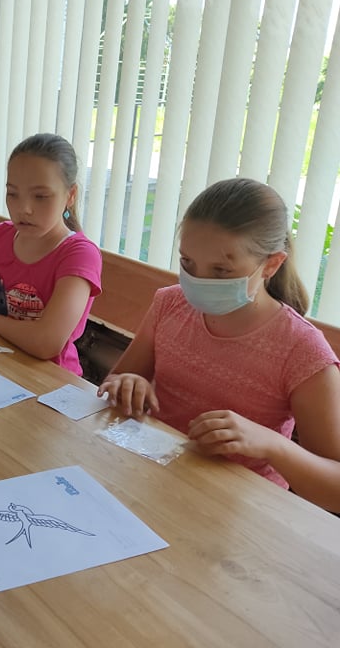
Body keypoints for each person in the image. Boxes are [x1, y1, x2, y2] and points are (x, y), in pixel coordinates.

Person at [99, 178, 340, 511]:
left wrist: (272, 445)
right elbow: (115, 382)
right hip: (155, 477)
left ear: (271, 264)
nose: (198, 281)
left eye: (221, 271)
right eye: (187, 263)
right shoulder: (169, 304)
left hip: (240, 510)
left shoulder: (303, 351)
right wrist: (127, 384)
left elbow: (333, 489)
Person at [0, 133, 101, 375]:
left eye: (41, 196)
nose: (24, 209)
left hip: (48, 378)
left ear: (70, 195)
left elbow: (46, 342)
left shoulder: (79, 255)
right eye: (12, 193)